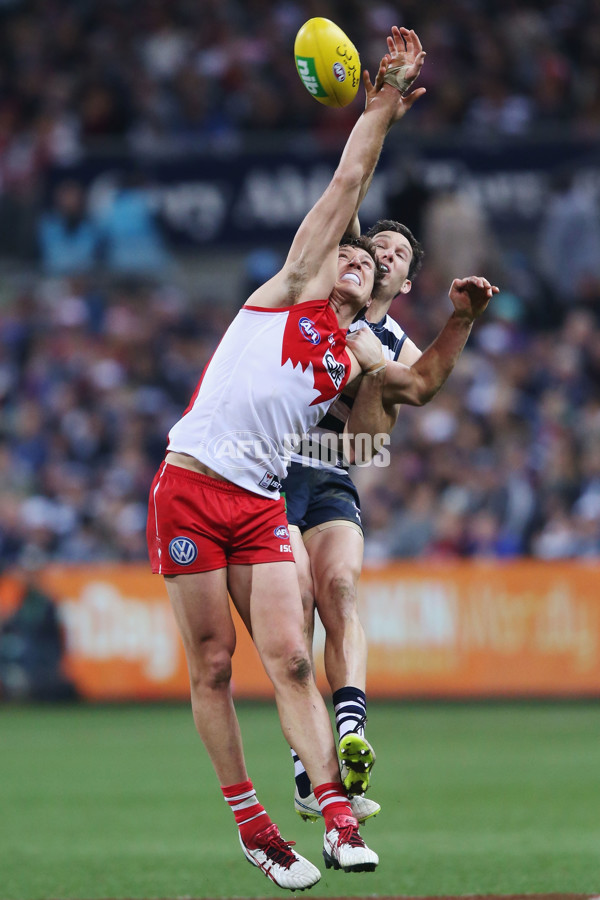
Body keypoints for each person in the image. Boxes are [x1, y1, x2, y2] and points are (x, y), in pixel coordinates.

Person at [146, 26, 430, 891]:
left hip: (261, 503)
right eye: (346, 249)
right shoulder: (287, 289)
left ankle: (338, 822)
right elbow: (347, 184)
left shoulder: (356, 359)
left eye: (362, 258)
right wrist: (380, 106)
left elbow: (401, 404)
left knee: (294, 660)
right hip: (190, 487)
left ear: (373, 287)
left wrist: (454, 324)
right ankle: (254, 826)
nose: (351, 255)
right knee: (213, 665)